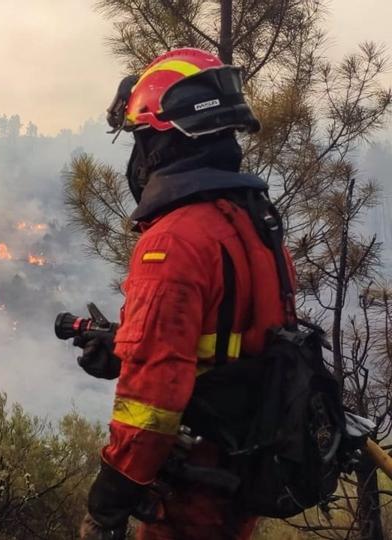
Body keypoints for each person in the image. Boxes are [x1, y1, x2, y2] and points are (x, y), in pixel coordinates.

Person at [75, 48, 295, 539]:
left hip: (192, 494)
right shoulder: (253, 224)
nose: (140, 157)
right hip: (239, 483)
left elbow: (150, 402)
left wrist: (109, 500)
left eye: (143, 139)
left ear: (167, 141)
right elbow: (227, 343)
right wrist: (127, 348)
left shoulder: (174, 240)